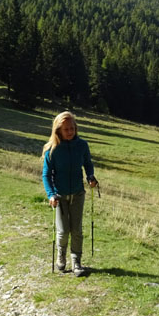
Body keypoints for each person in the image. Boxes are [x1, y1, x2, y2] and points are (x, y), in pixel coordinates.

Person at [42, 111, 98, 276]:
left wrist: (90, 176)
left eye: (72, 128)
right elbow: (46, 175)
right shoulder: (52, 150)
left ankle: (76, 261)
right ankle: (61, 255)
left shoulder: (82, 145)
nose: (70, 131)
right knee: (63, 230)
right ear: (58, 130)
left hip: (78, 194)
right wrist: (50, 194)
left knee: (77, 230)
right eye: (66, 129)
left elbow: (88, 164)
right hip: (59, 196)